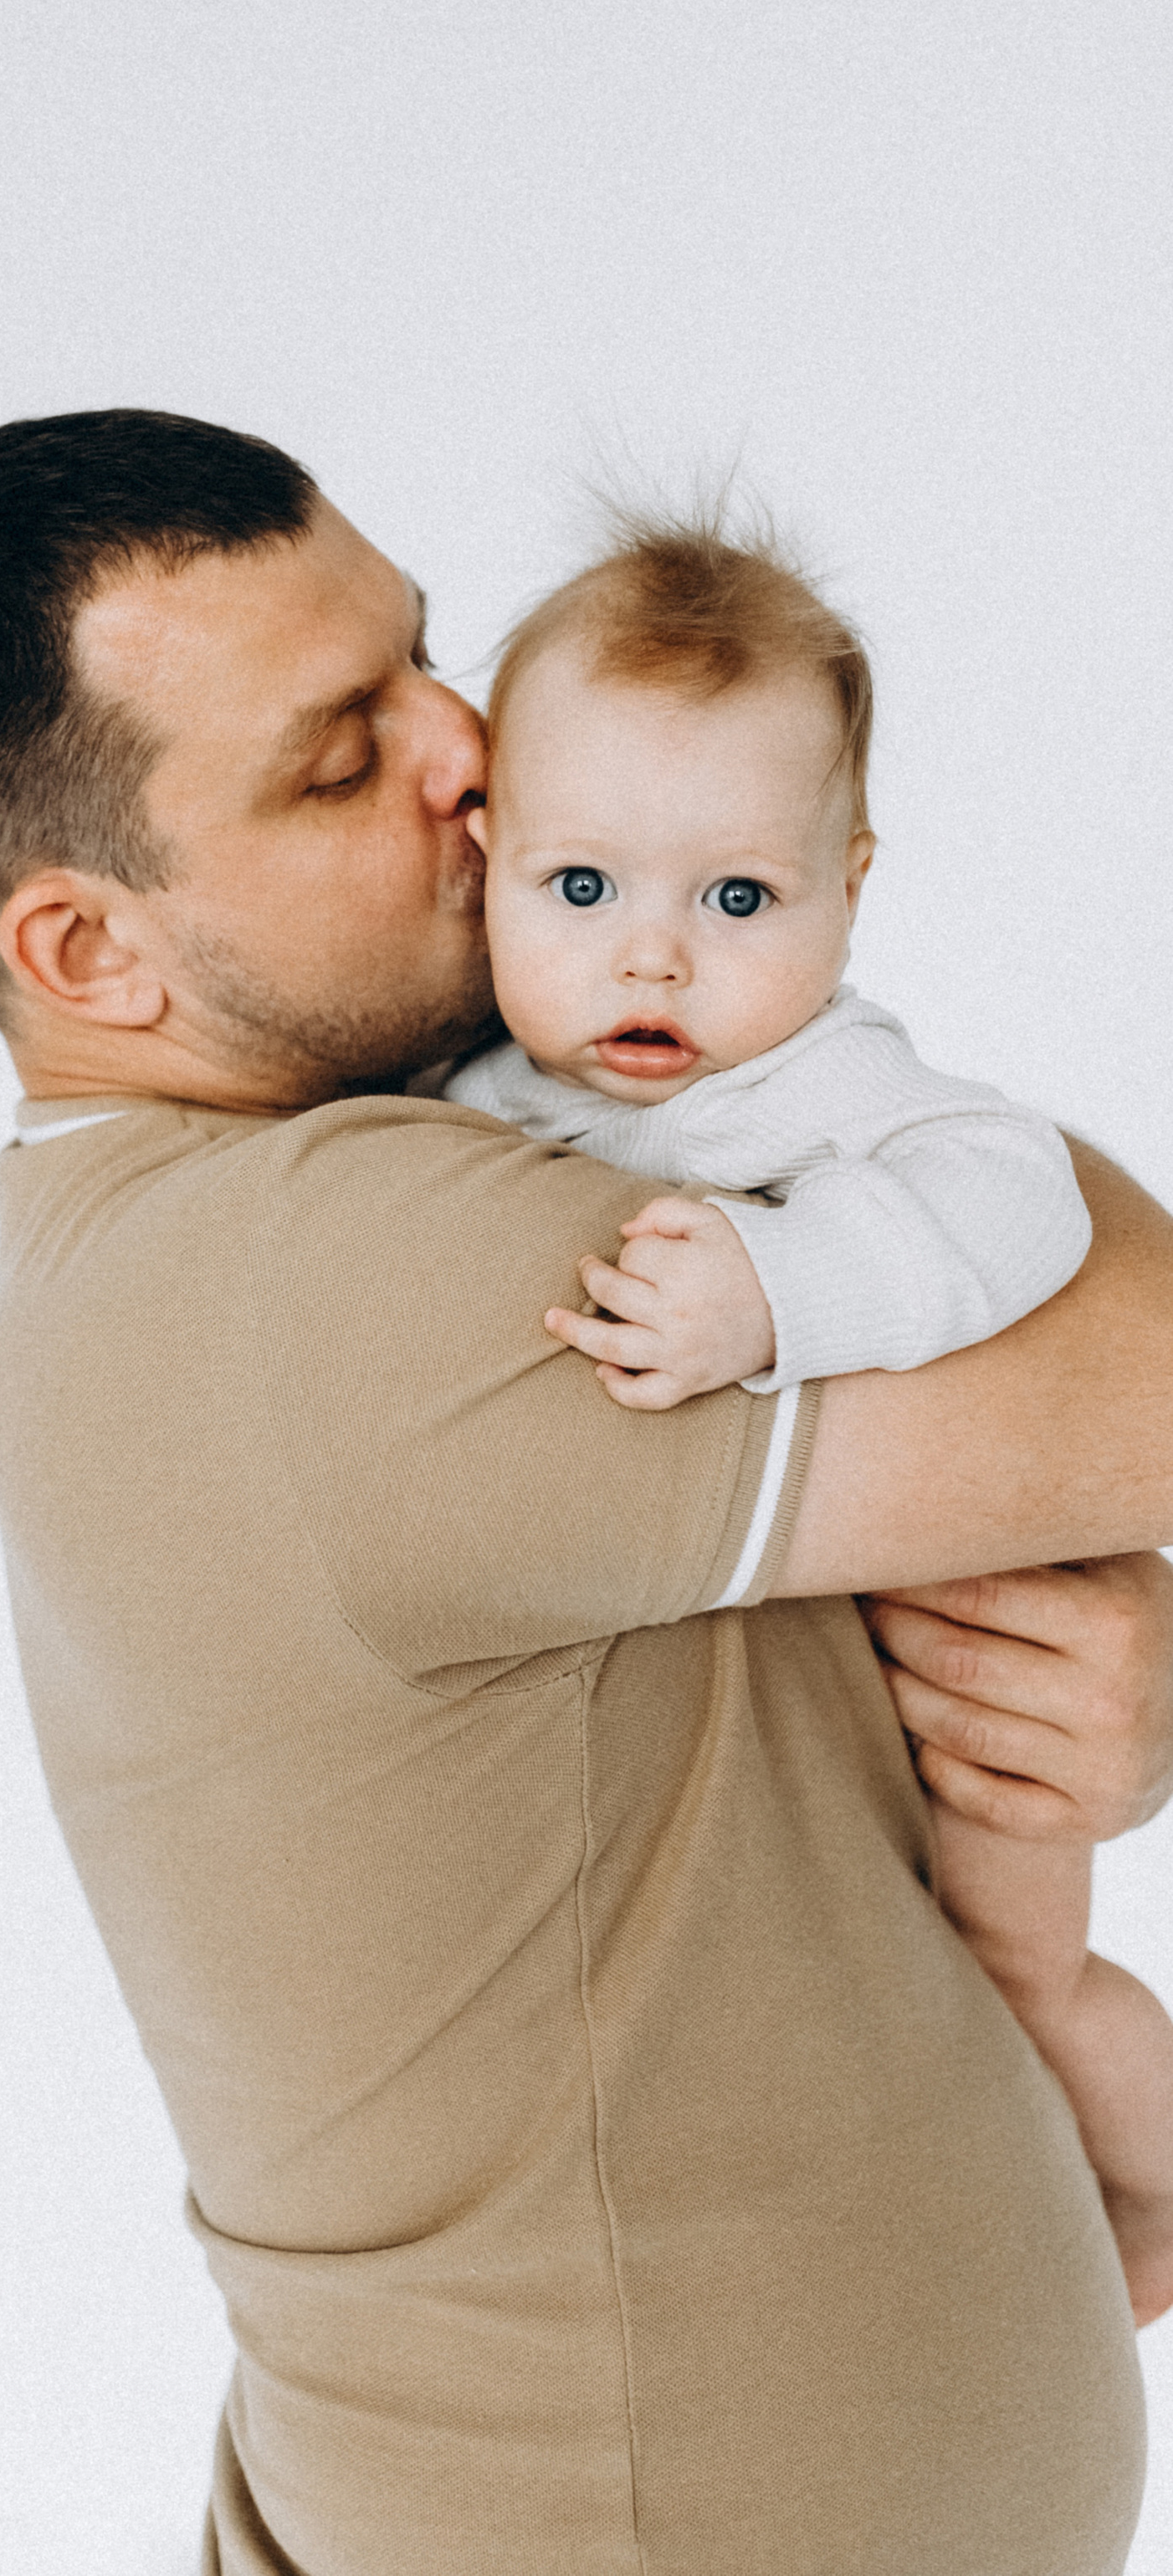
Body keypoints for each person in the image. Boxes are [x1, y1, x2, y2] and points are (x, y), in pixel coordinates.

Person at [0, 409, 1173, 2576]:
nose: (474, 748)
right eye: (341, 756)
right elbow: (1147, 1368)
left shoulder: (373, 1193)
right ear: (87, 955)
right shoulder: (317, 1280)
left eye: (428, 660)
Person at [442, 506, 1173, 2324]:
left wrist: (782, 1295)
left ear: (846, 886)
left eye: (738, 900)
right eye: (580, 888)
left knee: (1013, 1978)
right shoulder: (474, 1092)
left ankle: (1153, 2189)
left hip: (969, 1652)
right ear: (485, 866)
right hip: (772, 1705)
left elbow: (1014, 1200)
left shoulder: (835, 1088)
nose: (652, 963)